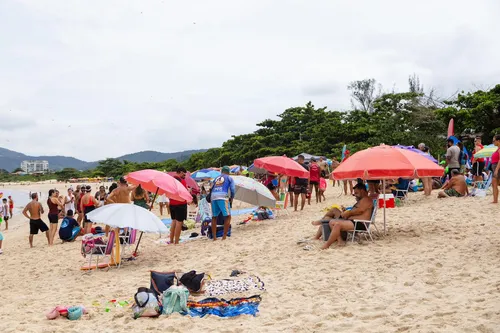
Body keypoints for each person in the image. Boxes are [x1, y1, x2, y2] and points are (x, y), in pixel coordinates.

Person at [312, 183, 374, 250]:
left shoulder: (366, 199)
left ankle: (327, 244)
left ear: (362, 191)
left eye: (356, 193)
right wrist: (347, 211)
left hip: (360, 223)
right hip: (353, 221)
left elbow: (360, 211)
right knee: (330, 218)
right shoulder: (363, 200)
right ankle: (339, 240)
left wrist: (348, 213)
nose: (355, 195)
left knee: (335, 222)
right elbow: (358, 210)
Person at [210, 166, 235, 241]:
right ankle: (224, 236)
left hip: (213, 196)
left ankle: (214, 237)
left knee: (214, 217)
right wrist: (231, 198)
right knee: (228, 216)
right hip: (223, 196)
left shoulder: (216, 178)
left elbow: (211, 188)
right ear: (228, 172)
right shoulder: (229, 178)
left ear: (221, 172)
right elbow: (233, 189)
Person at [169, 167, 190, 244]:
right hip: (180, 203)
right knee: (179, 222)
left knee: (173, 222)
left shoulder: (171, 180)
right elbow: (184, 192)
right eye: (184, 174)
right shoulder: (182, 181)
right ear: (180, 172)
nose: (184, 176)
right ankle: (176, 242)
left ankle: (171, 240)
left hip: (172, 203)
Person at [490, 134, 500, 204]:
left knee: (494, 183)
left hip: (497, 167)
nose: (493, 142)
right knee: (494, 183)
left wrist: (496, 169)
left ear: (498, 141)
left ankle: (495, 200)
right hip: (495, 167)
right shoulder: (498, 149)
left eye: (494, 141)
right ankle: (495, 200)